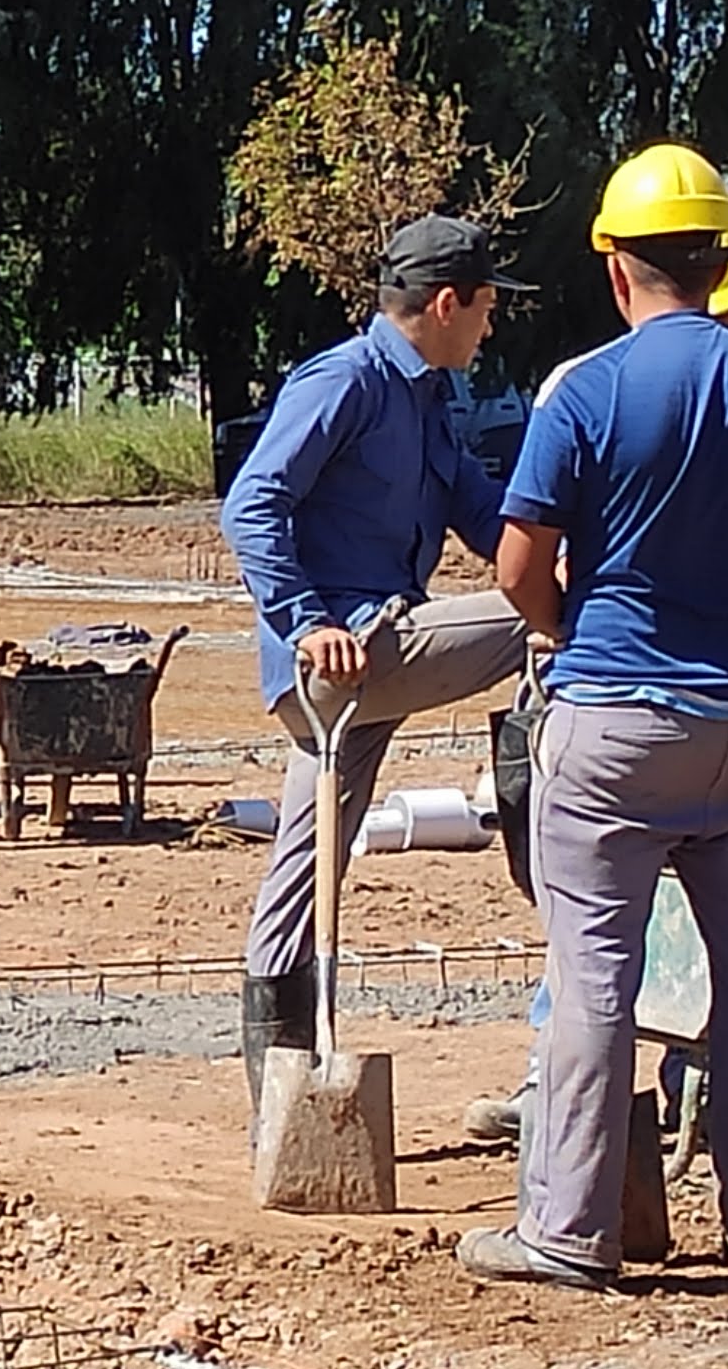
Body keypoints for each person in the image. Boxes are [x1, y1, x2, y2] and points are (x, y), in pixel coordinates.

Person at [467, 144, 728, 1289]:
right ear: (724, 263)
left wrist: (561, 633)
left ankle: (565, 1236)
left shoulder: (585, 391)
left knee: (594, 974)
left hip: (613, 731)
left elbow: (514, 565)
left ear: (614, 266)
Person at [218, 213, 535, 1103]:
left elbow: (486, 516)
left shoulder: (430, 396)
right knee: (545, 623)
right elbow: (252, 507)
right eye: (485, 307)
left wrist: (566, 547)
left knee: (303, 865)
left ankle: (281, 1096)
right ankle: (537, 808)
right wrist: (305, 618)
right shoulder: (347, 382)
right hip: (343, 656)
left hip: (370, 668)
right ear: (444, 303)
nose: (491, 323)